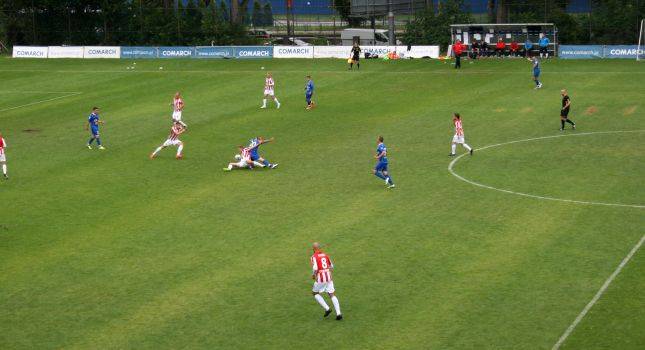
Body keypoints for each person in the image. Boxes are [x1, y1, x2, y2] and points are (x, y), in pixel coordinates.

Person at [310, 242, 342, 320]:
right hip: (329, 277)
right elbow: (331, 266)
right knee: (332, 294)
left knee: (315, 293)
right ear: (319, 248)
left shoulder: (313, 257)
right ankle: (339, 313)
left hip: (321, 278)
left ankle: (327, 309)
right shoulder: (325, 255)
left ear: (313, 249)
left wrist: (314, 275)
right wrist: (327, 272)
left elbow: (315, 268)